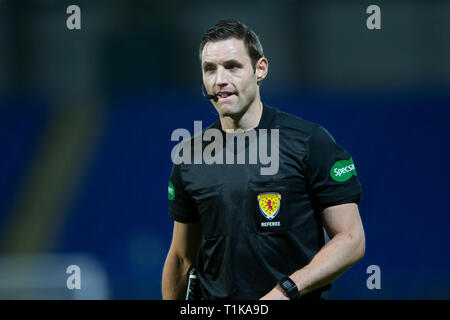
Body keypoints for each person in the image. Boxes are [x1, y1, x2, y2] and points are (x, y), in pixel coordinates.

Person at [162, 19, 365, 300]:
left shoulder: (309, 142)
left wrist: (286, 291)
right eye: (210, 69)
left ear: (260, 69)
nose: (220, 79)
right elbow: (182, 259)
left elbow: (351, 239)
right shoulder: (189, 157)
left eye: (232, 66)